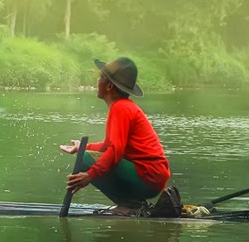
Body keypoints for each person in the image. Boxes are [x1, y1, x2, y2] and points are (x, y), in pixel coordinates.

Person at [60, 57, 170, 214]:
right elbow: (108, 146)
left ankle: (129, 205)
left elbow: (115, 150)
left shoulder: (121, 108)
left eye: (100, 78)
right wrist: (82, 147)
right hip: (152, 177)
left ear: (109, 86)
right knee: (85, 155)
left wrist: (90, 175)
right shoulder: (121, 107)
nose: (97, 81)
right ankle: (132, 204)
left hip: (148, 176)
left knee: (85, 159)